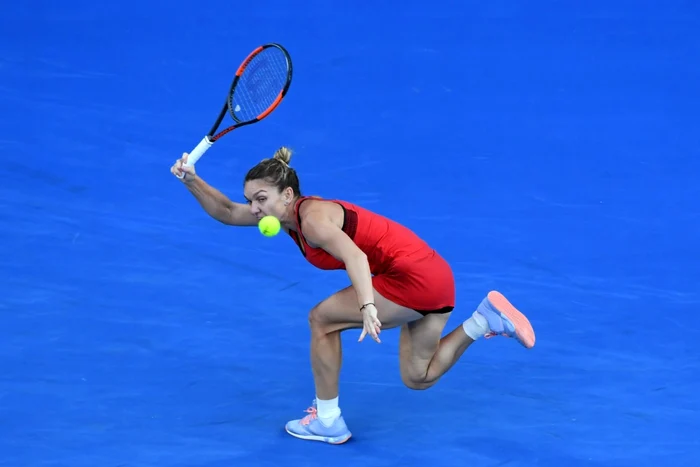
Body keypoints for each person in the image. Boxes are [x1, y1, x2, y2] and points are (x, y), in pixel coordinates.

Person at [170, 147, 536, 445]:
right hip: (436, 277)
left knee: (322, 320)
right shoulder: (285, 216)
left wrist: (368, 306)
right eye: (252, 199)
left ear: (287, 194)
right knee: (418, 376)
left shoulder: (312, 219)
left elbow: (356, 257)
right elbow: (228, 212)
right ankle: (483, 319)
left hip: (412, 277)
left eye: (260, 199)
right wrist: (192, 180)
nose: (254, 208)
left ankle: (327, 420)